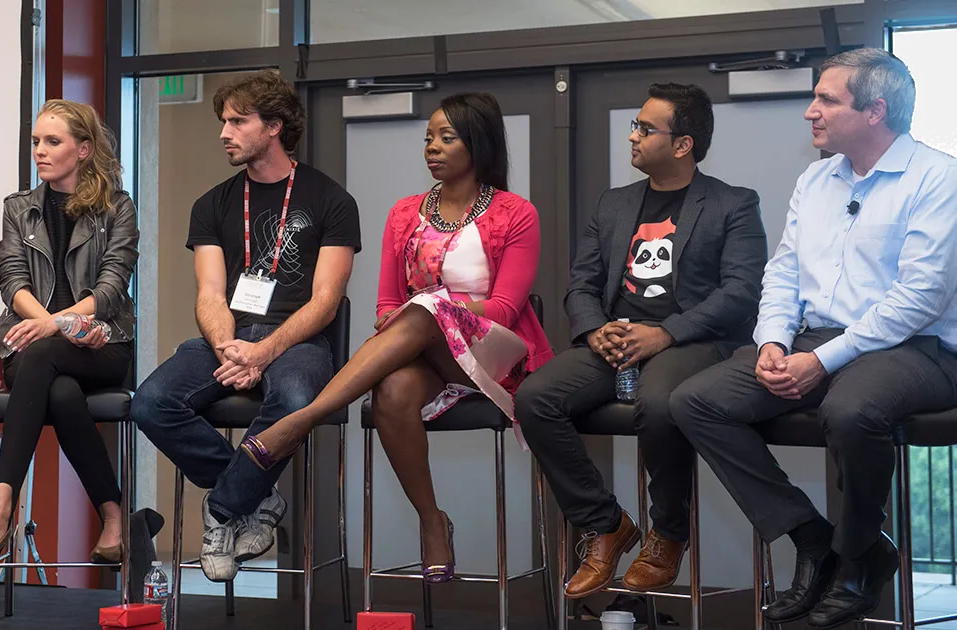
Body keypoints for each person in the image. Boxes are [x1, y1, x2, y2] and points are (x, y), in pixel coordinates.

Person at [671, 48, 957, 628]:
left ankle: (856, 558)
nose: (810, 112)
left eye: (827, 99)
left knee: (852, 411)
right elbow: (783, 272)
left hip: (914, 348)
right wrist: (774, 341)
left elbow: (919, 297)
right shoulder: (816, 177)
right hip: (815, 338)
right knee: (695, 401)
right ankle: (814, 539)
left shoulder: (939, 177)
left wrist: (822, 360)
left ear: (875, 111)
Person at [237, 92, 552, 582]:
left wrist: (439, 308)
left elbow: (507, 310)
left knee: (428, 307)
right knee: (392, 390)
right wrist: (414, 316)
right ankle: (432, 519)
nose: (433, 147)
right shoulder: (406, 212)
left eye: (447, 138)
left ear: (479, 143)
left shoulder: (515, 213)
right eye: (429, 137)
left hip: (493, 355)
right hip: (426, 354)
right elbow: (386, 305)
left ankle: (303, 419)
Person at [513, 84, 766, 598]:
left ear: (682, 145)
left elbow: (741, 293)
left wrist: (666, 332)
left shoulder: (733, 204)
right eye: (635, 124)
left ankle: (668, 532)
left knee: (659, 401)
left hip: (692, 342)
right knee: (534, 398)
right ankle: (604, 522)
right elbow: (581, 284)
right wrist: (593, 328)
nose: (632, 134)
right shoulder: (614, 204)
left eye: (645, 128)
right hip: (615, 343)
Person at [129, 70, 360, 582]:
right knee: (149, 402)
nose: (224, 132)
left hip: (297, 339)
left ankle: (222, 510)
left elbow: (325, 301)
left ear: (275, 125)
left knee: (297, 401)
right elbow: (210, 294)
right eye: (223, 120)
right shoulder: (211, 204)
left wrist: (265, 351)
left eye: (238, 121)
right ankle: (256, 497)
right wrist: (229, 347)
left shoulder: (331, 200)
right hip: (227, 337)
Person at [0, 100, 139, 569]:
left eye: (52, 142)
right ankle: (113, 514)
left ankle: (1, 501)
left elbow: (113, 287)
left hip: (102, 344)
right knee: (57, 385)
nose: (39, 150)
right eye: (36, 141)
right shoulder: (18, 208)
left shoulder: (118, 208)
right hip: (33, 346)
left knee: (47, 360)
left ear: (83, 149)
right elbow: (11, 279)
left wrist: (60, 324)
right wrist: (47, 325)